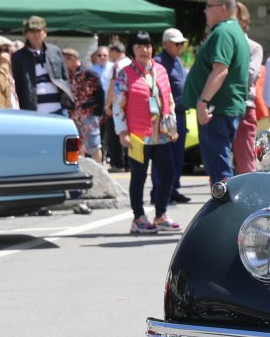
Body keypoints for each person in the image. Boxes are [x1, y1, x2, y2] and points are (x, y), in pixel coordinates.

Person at [111, 31, 180, 233]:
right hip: (138, 136)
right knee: (139, 176)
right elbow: (118, 105)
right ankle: (138, 218)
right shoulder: (125, 73)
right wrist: (122, 132)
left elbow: (169, 100)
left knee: (168, 174)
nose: (144, 50)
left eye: (148, 46)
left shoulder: (160, 70)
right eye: (139, 46)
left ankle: (160, 215)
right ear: (132, 50)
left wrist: (172, 127)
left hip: (161, 133)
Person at [181, 0, 250, 185]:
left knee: (218, 168)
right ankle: (222, 201)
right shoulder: (234, 31)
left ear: (223, 8)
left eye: (209, 7)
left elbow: (220, 70)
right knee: (218, 165)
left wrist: (203, 101)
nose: (205, 11)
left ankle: (225, 203)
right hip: (224, 108)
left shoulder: (223, 32)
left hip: (216, 109)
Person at [10, 15, 72, 116]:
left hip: (59, 110)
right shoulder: (18, 57)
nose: (36, 35)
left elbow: (65, 77)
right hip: (33, 112)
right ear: (26, 34)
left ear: (45, 33)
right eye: (32, 31)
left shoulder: (54, 51)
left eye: (39, 31)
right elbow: (18, 85)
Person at [231, 4, 265, 175]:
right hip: (220, 108)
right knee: (219, 162)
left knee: (245, 162)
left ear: (244, 21)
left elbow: (250, 76)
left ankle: (249, 193)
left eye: (234, 19)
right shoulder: (219, 43)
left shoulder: (254, 47)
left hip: (244, 106)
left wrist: (221, 75)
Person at [157, 28, 190, 202]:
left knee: (177, 155)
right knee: (164, 155)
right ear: (166, 44)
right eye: (176, 43)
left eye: (181, 43)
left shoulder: (177, 61)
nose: (180, 46)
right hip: (167, 115)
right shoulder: (159, 62)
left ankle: (173, 189)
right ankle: (160, 192)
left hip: (180, 114)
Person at [60, 47, 105, 163]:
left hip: (88, 114)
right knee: (76, 143)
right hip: (73, 115)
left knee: (94, 145)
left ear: (72, 59)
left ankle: (98, 169)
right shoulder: (68, 75)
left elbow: (100, 93)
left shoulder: (89, 73)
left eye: (64, 61)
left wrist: (99, 112)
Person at [103, 40, 130, 171]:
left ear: (115, 52)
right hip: (131, 105)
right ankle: (130, 163)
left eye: (110, 53)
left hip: (118, 105)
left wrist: (107, 105)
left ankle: (118, 164)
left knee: (115, 134)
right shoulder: (131, 63)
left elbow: (112, 87)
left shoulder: (117, 66)